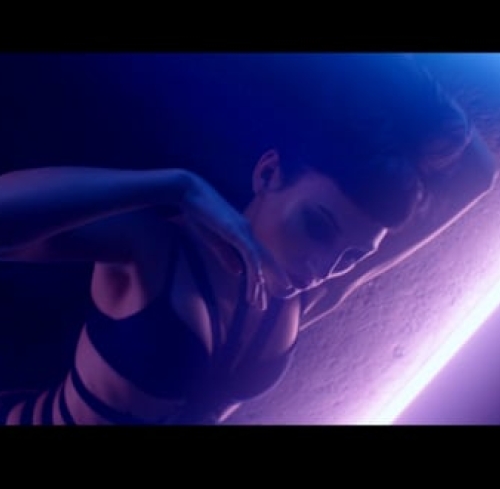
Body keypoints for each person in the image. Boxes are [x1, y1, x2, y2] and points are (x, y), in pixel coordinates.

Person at [0, 53, 496, 425]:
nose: (323, 267)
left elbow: (478, 174)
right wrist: (175, 186)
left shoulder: (299, 299)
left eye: (352, 255)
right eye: (316, 226)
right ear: (268, 173)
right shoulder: (157, 250)